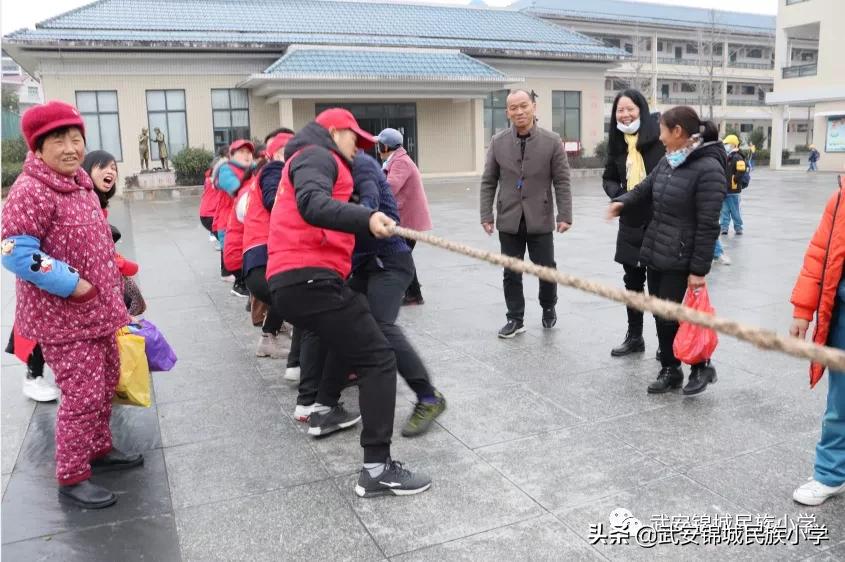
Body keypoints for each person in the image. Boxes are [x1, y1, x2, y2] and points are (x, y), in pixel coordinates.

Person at [267, 108, 430, 497]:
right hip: (310, 277)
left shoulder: (318, 158)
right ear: (335, 131)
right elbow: (312, 203)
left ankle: (323, 410)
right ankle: (376, 468)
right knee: (378, 356)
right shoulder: (315, 155)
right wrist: (366, 216)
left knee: (349, 335)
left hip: (300, 282)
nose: (358, 150)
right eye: (353, 140)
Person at [1, 101, 141, 509]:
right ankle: (72, 473)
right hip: (63, 317)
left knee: (105, 382)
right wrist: (71, 283)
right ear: (38, 147)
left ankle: (100, 448)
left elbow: (95, 245)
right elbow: (14, 250)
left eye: (76, 138)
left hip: (100, 312)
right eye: (58, 140)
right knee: (82, 394)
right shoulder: (32, 189)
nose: (70, 147)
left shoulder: (81, 182)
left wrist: (117, 285)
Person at [301, 150, 447, 437]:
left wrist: (360, 215)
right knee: (345, 325)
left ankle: (429, 398)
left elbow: (369, 200)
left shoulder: (361, 166)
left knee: (379, 325)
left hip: (390, 263)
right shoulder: (325, 177)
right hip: (363, 267)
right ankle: (325, 405)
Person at [607, 106, 726, 396]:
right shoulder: (669, 161)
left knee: (679, 314)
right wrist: (621, 202)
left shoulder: (708, 168)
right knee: (662, 313)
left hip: (682, 256)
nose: (659, 137)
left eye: (662, 130)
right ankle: (670, 368)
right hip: (656, 248)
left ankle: (701, 366)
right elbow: (644, 188)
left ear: (678, 132)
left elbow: (710, 225)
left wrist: (698, 270)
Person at [480, 89, 572, 338]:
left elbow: (562, 181)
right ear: (507, 112)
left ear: (533, 107)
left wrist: (564, 214)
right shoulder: (498, 142)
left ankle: (548, 305)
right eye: (513, 108)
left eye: (524, 106)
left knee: (546, 268)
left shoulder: (552, 141)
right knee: (511, 271)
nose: (519, 112)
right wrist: (486, 215)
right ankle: (515, 318)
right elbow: (489, 180)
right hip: (509, 218)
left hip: (539, 216)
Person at [789, 176, 845, 506]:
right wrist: (802, 309)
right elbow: (818, 257)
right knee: (840, 404)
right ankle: (830, 473)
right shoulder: (839, 200)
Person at [602, 89, 665, 357]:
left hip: (659, 219)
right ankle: (635, 336)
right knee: (632, 283)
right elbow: (608, 177)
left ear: (641, 109)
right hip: (630, 220)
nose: (625, 114)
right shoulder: (617, 143)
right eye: (620, 110)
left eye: (630, 109)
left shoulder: (659, 137)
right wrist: (620, 195)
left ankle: (666, 344)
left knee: (660, 287)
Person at [243, 129, 296, 359]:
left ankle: (271, 335)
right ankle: (269, 337)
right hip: (261, 253)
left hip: (258, 253)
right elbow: (273, 200)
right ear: (275, 155)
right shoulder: (274, 170)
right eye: (287, 153)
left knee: (286, 294)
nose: (292, 157)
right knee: (289, 295)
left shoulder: (269, 171)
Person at [377, 128, 432, 306]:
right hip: (405, 218)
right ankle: (413, 292)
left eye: (379, 145)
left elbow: (390, 188)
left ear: (385, 146)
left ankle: (414, 294)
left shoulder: (400, 163)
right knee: (403, 255)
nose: (378, 149)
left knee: (401, 256)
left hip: (408, 220)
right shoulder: (395, 160)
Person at [214, 139, 255, 297]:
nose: (246, 155)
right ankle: (239, 284)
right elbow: (236, 188)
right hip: (228, 221)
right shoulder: (226, 170)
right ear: (231, 155)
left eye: (249, 152)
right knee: (235, 256)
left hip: (246, 221)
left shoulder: (253, 170)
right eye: (241, 152)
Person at [720, 134, 747, 236]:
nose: (726, 146)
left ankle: (738, 227)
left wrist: (735, 180)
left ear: (733, 145)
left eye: (727, 144)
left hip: (734, 190)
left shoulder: (738, 156)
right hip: (725, 189)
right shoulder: (726, 156)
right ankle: (724, 228)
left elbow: (741, 170)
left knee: (735, 211)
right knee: (725, 210)